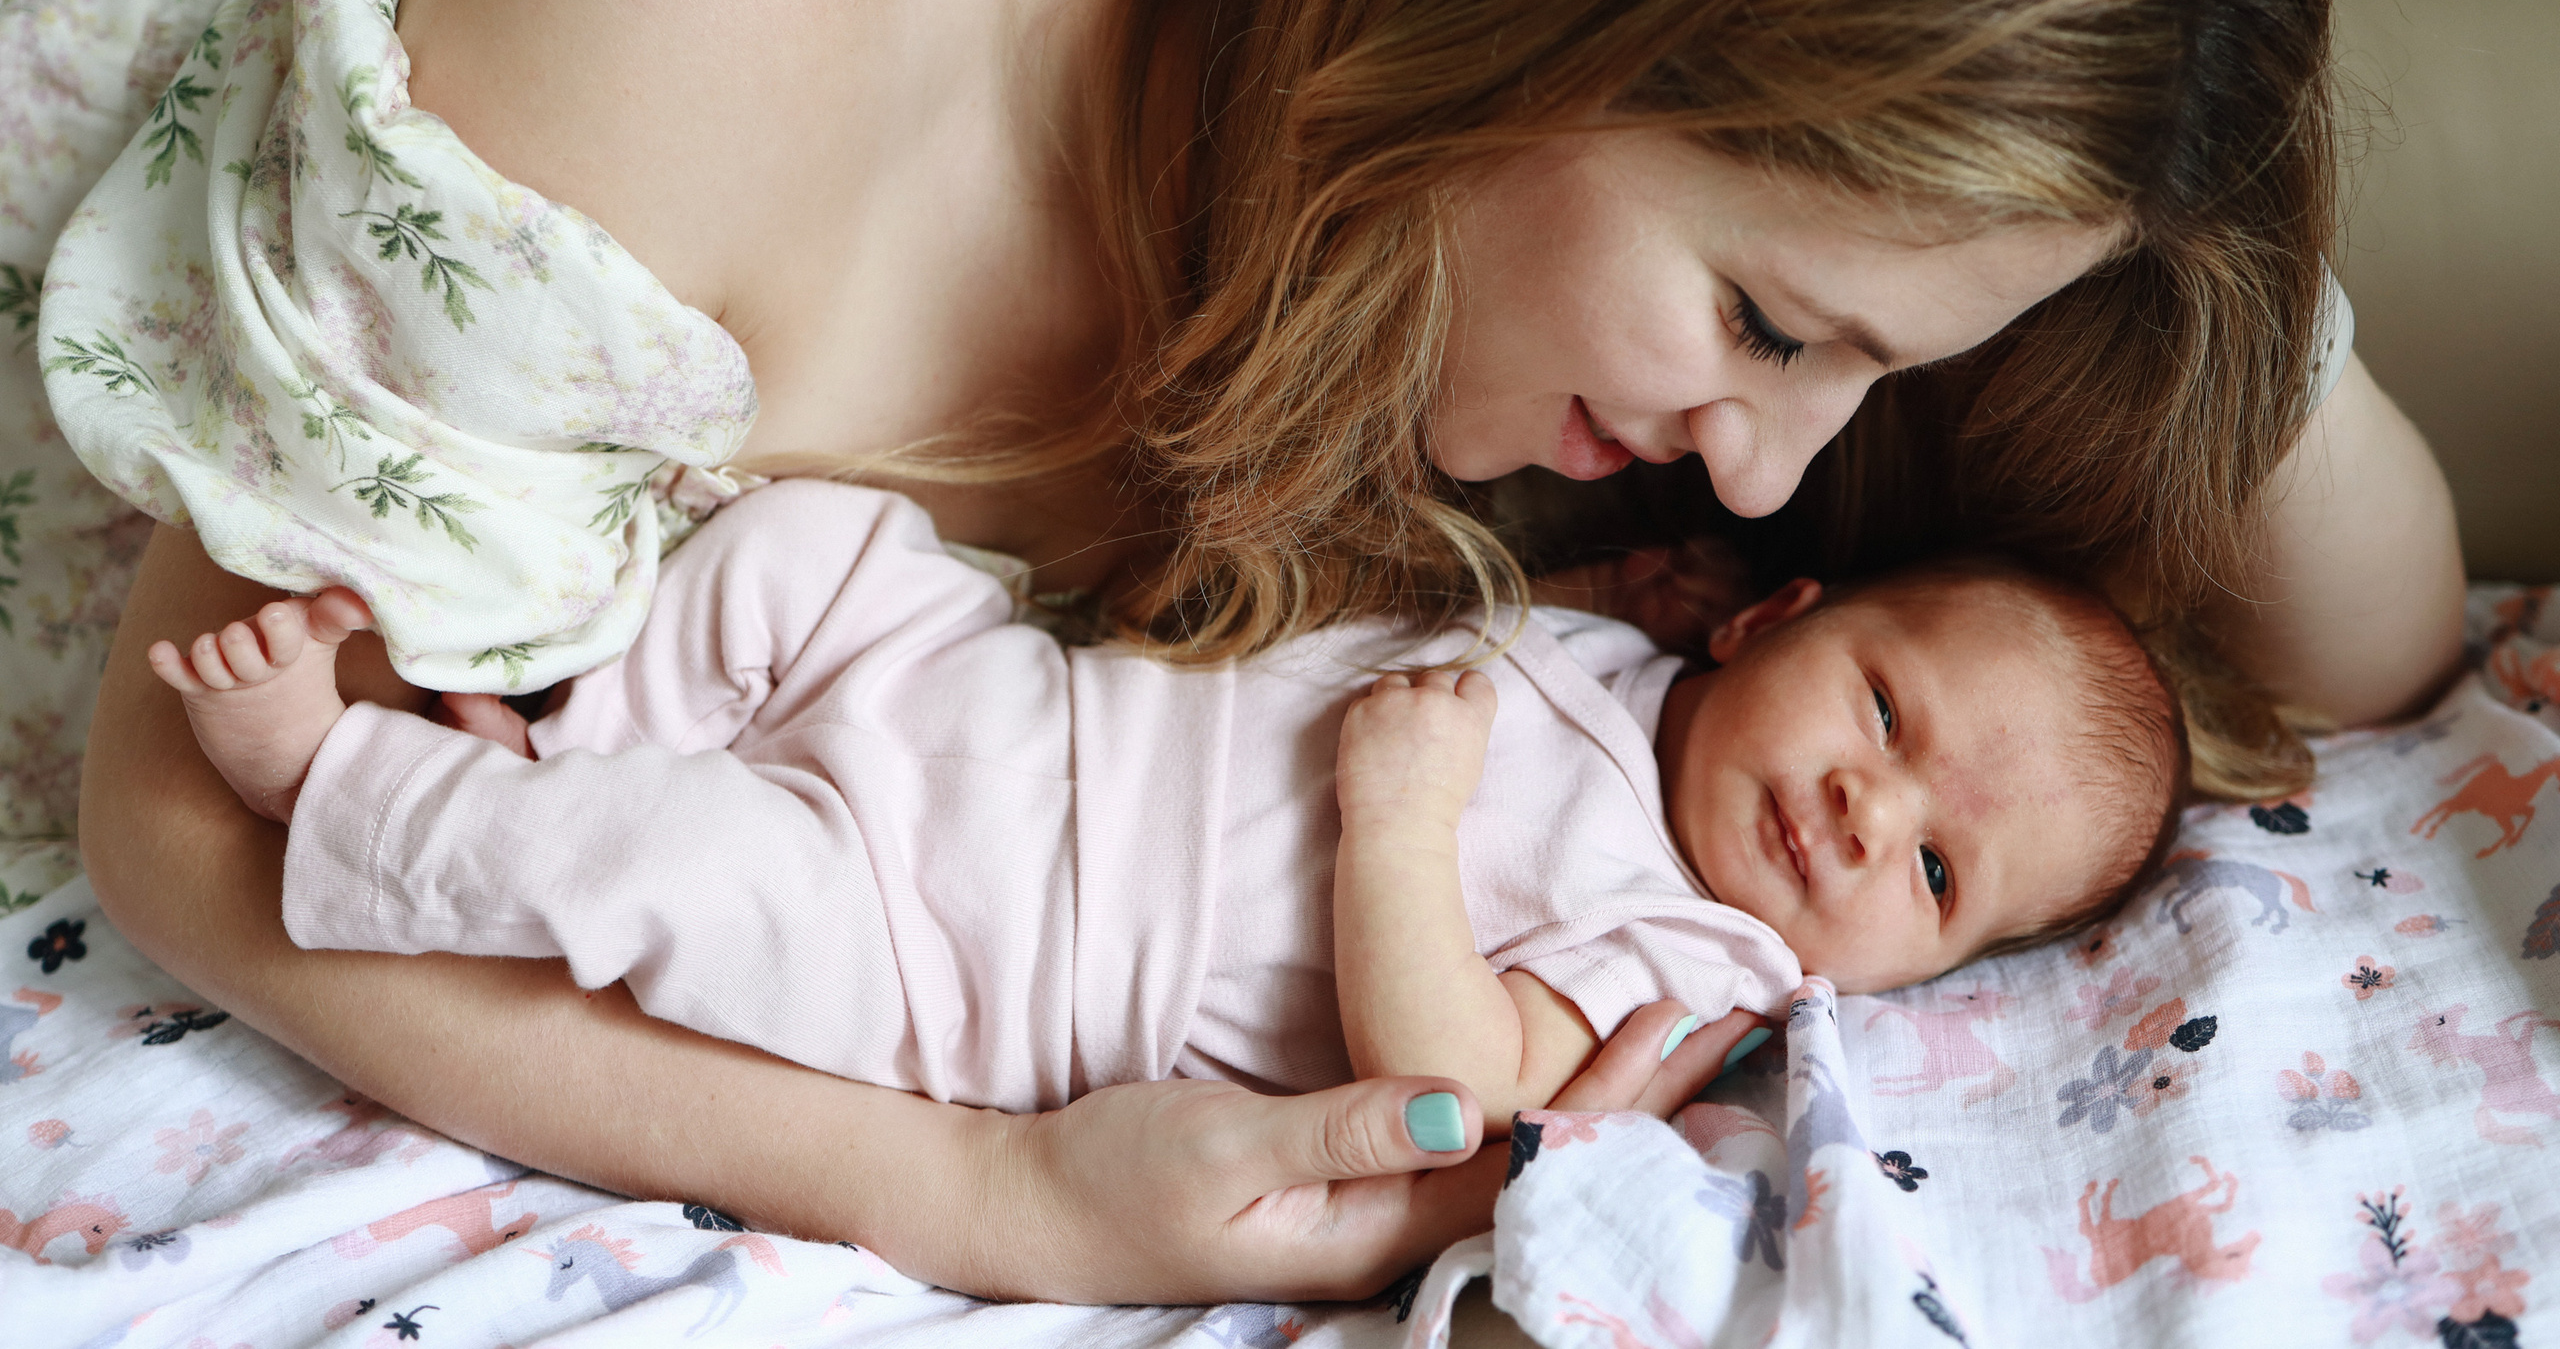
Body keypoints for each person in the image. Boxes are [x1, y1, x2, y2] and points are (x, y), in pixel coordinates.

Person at [37, 0, 2463, 1304]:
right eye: (1756, 321)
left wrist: (2163, 159)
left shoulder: (1723, 379)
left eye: (1871, 364)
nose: (1771, 461)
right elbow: (181, 818)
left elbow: (2361, 635)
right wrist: (986, 1191)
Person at [148, 479, 2179, 1132]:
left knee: (687, 881)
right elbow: (1464, 625)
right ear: (1771, 613)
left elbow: (1455, 1078)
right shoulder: (1632, 653)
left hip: (962, 964)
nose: (1855, 805)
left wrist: (1400, 824)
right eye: (1885, 708)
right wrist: (1583, 599)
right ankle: (575, 720)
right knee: (816, 539)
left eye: (1931, 864)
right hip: (996, 707)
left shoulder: (1698, 952)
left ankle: (342, 781)